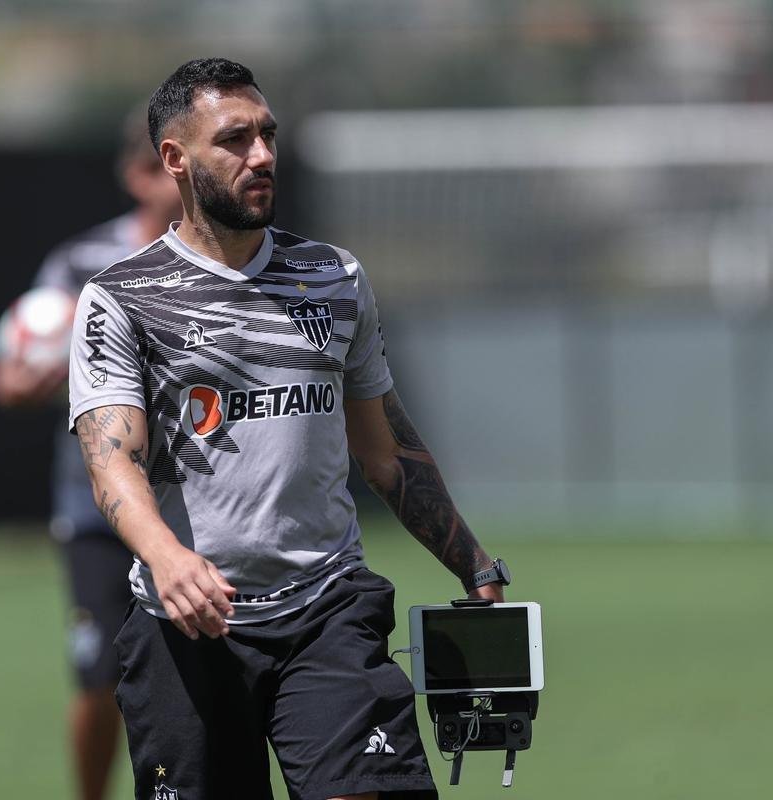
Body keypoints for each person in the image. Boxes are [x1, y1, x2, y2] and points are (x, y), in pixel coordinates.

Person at [67, 58, 507, 800]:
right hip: (186, 626)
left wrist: (474, 564)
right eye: (235, 139)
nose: (263, 155)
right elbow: (113, 462)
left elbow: (388, 452)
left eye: (268, 135)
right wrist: (168, 559)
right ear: (175, 159)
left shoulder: (334, 279)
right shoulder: (123, 299)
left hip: (325, 611)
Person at [0, 109, 181, 800]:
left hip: (195, 509)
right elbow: (7, 376)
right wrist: (32, 376)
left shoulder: (224, 264)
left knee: (195, 677)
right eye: (170, 163)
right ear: (139, 174)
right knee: (99, 676)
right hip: (96, 507)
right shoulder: (78, 264)